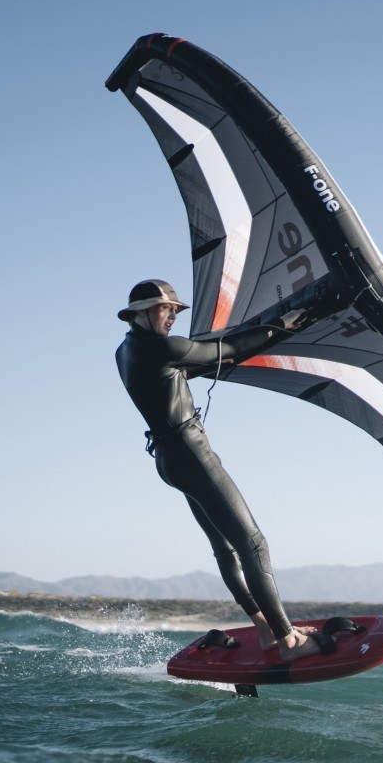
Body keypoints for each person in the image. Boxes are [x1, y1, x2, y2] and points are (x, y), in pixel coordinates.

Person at [115, 279, 332, 662]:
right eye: (167, 311)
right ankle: (289, 640)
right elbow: (226, 349)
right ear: (143, 312)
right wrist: (282, 326)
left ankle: (266, 628)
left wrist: (243, 342)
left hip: (168, 459)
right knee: (253, 544)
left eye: (175, 312)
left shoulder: (126, 352)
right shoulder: (166, 348)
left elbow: (192, 367)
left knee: (225, 548)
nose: (172, 318)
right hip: (192, 453)